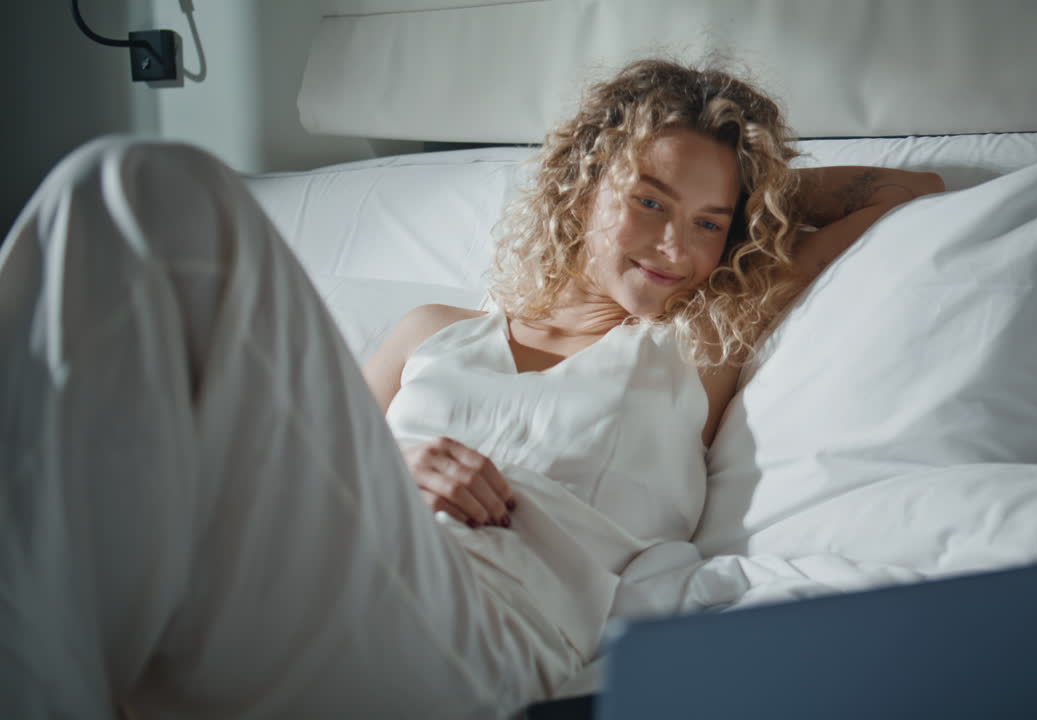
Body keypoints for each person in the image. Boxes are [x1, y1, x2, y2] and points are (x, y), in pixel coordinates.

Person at [0, 59, 943, 718]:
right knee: (113, 185)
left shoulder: (693, 345)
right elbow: (292, 464)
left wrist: (754, 198)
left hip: (479, 631)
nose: (673, 245)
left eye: (707, 223)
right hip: (321, 566)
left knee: (146, 180)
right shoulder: (431, 333)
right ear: (582, 186)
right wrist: (392, 466)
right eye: (649, 200)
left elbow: (903, 188)